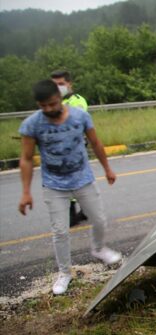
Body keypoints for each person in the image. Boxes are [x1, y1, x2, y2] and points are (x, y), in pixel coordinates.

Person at [18, 79, 122, 295]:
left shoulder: (80, 116)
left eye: (52, 104)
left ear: (60, 97)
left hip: (83, 179)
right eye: (43, 106)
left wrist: (108, 169)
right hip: (54, 185)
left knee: (99, 219)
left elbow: (95, 143)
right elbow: (26, 158)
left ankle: (99, 248)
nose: (48, 109)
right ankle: (64, 272)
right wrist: (26, 192)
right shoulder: (32, 124)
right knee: (60, 231)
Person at [50, 70, 89, 227]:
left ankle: (73, 214)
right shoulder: (54, 103)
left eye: (61, 84)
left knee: (74, 178)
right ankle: (84, 210)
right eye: (54, 85)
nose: (58, 88)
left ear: (69, 84)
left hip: (75, 147)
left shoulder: (77, 101)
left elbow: (75, 123)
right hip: (59, 149)